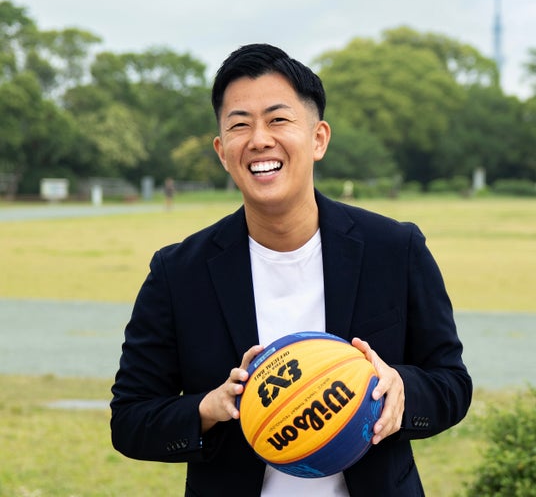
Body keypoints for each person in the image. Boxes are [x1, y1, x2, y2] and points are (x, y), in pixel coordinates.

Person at [110, 43, 472, 496]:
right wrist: (209, 408)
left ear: (318, 138)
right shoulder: (178, 272)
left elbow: (451, 384)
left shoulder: (395, 249)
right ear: (222, 151)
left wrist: (401, 388)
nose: (259, 139)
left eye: (278, 120)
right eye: (240, 125)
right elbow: (130, 420)